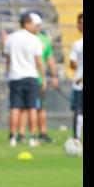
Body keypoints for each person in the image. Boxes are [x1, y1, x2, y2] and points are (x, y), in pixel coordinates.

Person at [4, 13, 45, 147]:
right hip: (31, 76)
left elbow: (8, 59)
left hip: (15, 76)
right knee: (32, 107)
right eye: (33, 24)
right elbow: (39, 61)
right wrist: (43, 78)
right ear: (27, 23)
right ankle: (33, 137)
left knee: (15, 107)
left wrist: (9, 71)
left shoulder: (10, 38)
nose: (35, 27)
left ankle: (13, 137)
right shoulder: (34, 39)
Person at [30, 14, 59, 143]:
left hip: (39, 79)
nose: (38, 27)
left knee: (41, 107)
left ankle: (42, 132)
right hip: (29, 77)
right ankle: (29, 135)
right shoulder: (25, 38)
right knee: (28, 108)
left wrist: (54, 76)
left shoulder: (44, 39)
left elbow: (50, 59)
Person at [68, 12, 83, 141]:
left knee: (79, 111)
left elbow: (72, 64)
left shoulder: (78, 44)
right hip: (79, 82)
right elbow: (72, 64)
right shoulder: (77, 44)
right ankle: (76, 138)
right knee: (78, 111)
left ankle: (76, 138)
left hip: (80, 81)